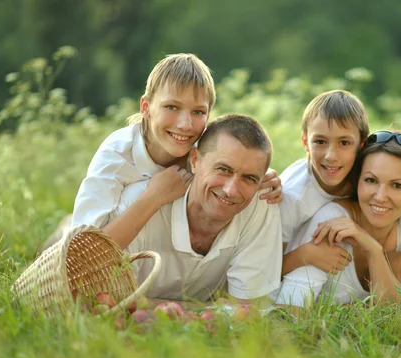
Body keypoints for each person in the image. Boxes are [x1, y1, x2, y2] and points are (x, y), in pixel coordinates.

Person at [66, 53, 281, 251]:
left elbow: (236, 164)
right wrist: (153, 197)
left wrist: (266, 178)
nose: (185, 124)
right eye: (172, 107)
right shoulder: (116, 158)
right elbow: (83, 252)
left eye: (198, 112)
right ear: (145, 107)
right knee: (64, 237)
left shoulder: (200, 149)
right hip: (104, 245)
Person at [279, 90, 401, 284]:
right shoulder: (292, 196)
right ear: (305, 142)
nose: (331, 156)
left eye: (344, 142)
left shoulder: (365, 174)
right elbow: (265, 269)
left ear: (361, 146)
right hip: (291, 275)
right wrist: (304, 254)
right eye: (320, 142)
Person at [115, 114, 282, 302]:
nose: (231, 190)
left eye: (249, 178)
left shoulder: (262, 202)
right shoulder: (142, 201)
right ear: (194, 161)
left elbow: (246, 311)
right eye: (223, 169)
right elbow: (109, 303)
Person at [276, 130, 401, 307]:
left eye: (397, 185)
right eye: (371, 180)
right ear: (357, 180)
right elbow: (291, 306)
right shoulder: (331, 222)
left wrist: (374, 251)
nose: (381, 197)